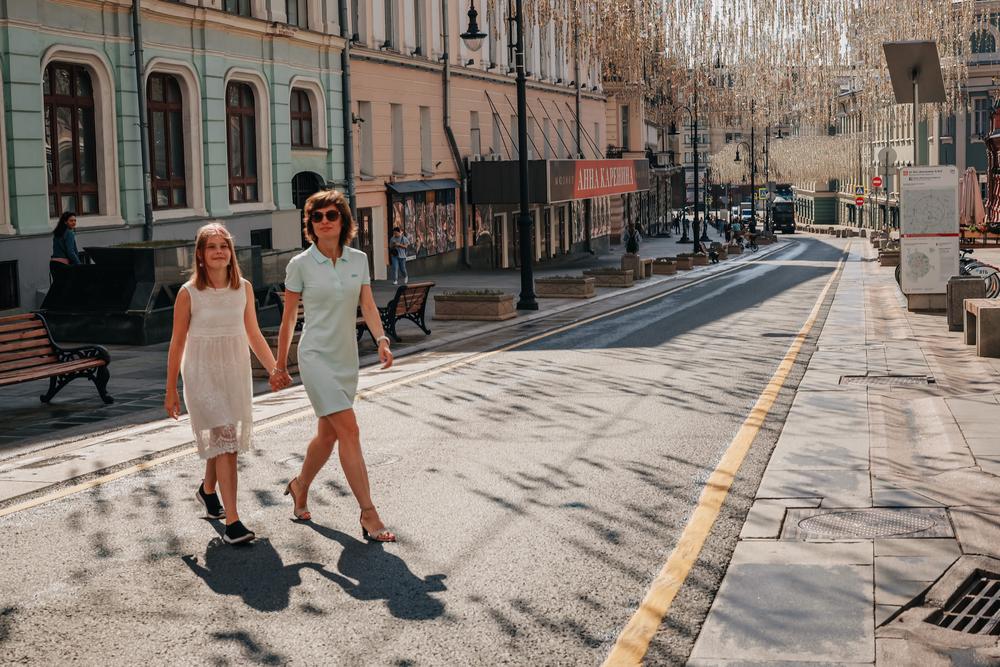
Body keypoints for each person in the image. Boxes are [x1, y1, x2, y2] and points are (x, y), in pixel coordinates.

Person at [275, 189, 397, 543]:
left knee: (328, 435)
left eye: (332, 215)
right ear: (310, 224)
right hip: (314, 357)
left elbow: (369, 307)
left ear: (343, 220)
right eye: (317, 216)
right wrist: (280, 366)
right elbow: (287, 321)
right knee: (350, 430)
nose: (325, 221)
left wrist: (382, 340)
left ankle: (300, 486)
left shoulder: (358, 260)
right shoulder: (299, 265)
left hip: (347, 359)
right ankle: (368, 513)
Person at [165, 223, 290, 545]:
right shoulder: (188, 293)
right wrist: (170, 391)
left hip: (234, 372)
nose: (219, 251)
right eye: (212, 247)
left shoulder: (243, 288)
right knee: (228, 442)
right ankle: (233, 522)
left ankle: (208, 492)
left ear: (231, 253)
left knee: (222, 440)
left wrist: (275, 368)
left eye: (224, 246)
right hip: (201, 373)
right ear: (201, 255)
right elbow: (177, 344)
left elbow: (253, 333)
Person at [50, 211, 82, 280]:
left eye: (75, 220)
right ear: (65, 222)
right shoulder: (69, 233)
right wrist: (79, 264)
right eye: (71, 221)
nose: (74, 222)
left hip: (54, 264)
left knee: (58, 289)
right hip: (63, 265)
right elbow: (70, 251)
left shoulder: (57, 233)